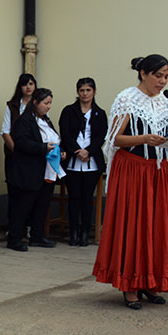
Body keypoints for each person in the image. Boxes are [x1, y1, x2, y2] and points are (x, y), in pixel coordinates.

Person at [93, 54, 168, 309]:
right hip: (133, 169)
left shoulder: (167, 102)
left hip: (158, 170)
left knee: (156, 226)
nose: (163, 81)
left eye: (166, 76)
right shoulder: (127, 98)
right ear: (143, 73)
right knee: (134, 224)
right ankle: (130, 285)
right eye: (159, 75)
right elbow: (114, 139)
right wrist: (144, 139)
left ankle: (150, 281)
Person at [7, 88, 66, 251]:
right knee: (23, 206)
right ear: (35, 103)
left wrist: (60, 152)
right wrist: (43, 147)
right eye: (46, 103)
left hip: (47, 169)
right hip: (29, 170)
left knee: (42, 204)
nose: (48, 107)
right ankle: (14, 238)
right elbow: (22, 143)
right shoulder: (24, 121)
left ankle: (37, 235)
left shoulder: (46, 121)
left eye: (50, 103)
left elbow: (54, 139)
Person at [58, 77, 107, 247]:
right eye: (82, 90)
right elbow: (65, 133)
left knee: (87, 198)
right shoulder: (69, 111)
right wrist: (77, 151)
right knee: (74, 197)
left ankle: (85, 232)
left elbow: (101, 136)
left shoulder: (99, 113)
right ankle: (73, 232)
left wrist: (89, 151)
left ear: (94, 92)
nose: (85, 94)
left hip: (91, 161)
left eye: (88, 90)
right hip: (73, 160)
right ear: (77, 92)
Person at [1, 73, 37, 235]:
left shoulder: (39, 105)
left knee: (29, 193)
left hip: (32, 156)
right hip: (14, 155)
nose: (28, 87)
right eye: (25, 84)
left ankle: (29, 226)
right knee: (14, 191)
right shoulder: (13, 105)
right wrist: (18, 150)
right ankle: (14, 227)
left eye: (31, 84)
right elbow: (5, 131)